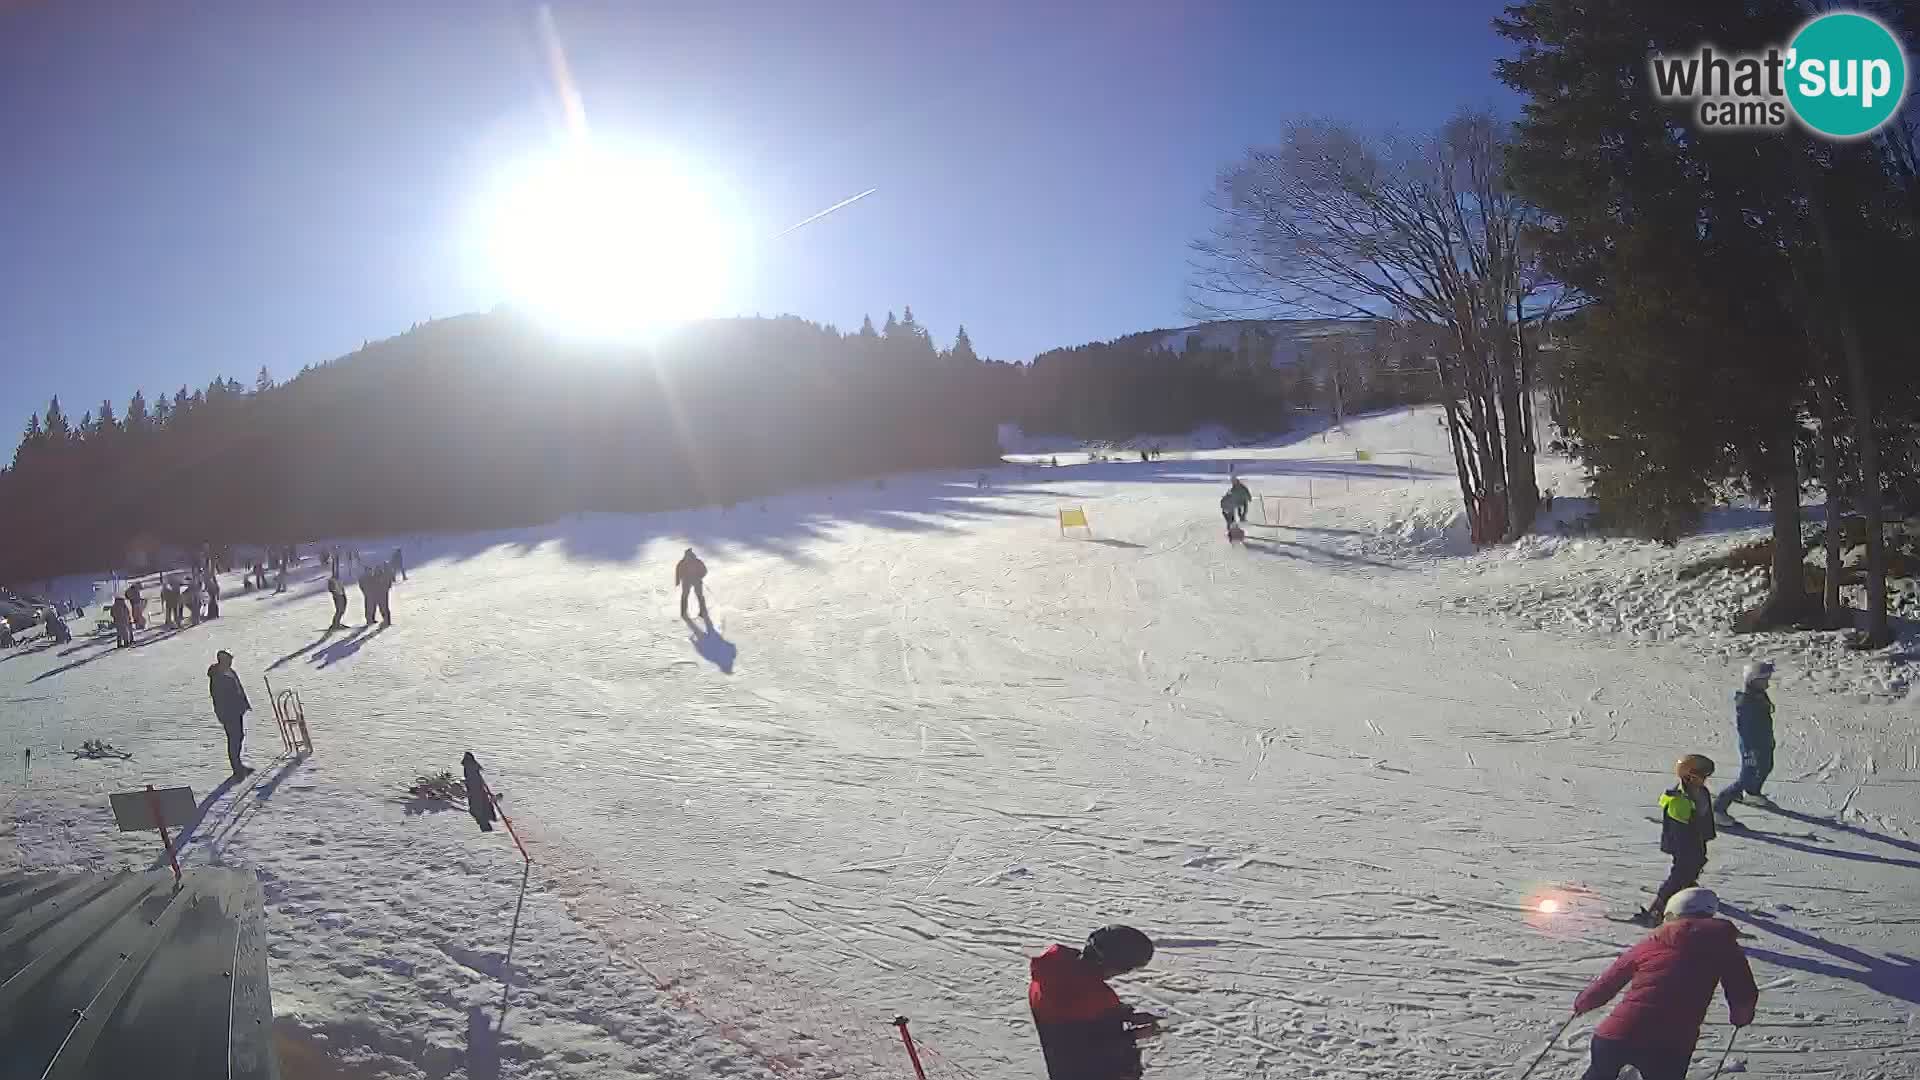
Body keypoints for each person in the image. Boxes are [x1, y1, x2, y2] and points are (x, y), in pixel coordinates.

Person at [1572, 888, 1757, 1080]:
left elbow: (1609, 981)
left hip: (1616, 1035)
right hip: (1670, 1045)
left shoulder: (1650, 943)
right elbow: (1742, 991)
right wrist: (1740, 1017)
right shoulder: (1724, 945)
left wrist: (1583, 1004)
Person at [1030, 925, 1160, 1080]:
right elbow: (1096, 1048)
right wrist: (1136, 1034)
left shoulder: (1049, 974)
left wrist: (1122, 1015)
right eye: (1126, 969)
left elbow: (1074, 1029)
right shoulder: (1095, 995)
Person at [1633, 753, 1718, 927]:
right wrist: (1688, 851)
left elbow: (1706, 816)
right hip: (1685, 845)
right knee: (1680, 873)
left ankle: (1688, 884)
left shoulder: (1701, 792)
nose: (1706, 780)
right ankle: (1657, 908)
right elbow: (1679, 832)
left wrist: (1707, 836)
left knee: (1698, 862)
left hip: (1697, 841)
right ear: (1690, 777)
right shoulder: (1679, 802)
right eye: (1703, 777)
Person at [1714, 660, 1777, 826]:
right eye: (1764, 680)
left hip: (1764, 741)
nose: (1768, 684)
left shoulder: (1759, 695)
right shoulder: (1746, 702)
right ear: (1752, 681)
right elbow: (1745, 729)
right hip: (1752, 746)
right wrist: (1751, 749)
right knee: (1746, 777)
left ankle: (1753, 793)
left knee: (1766, 766)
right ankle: (1718, 808)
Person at [207, 649, 253, 777]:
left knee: (239, 736)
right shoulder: (218, 677)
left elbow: (239, 689)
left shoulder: (230, 672)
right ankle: (237, 769)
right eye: (229, 660)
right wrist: (224, 713)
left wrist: (244, 704)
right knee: (234, 739)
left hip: (236, 710)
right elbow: (220, 697)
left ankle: (239, 765)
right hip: (228, 713)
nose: (231, 662)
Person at [463, 752, 497, 833]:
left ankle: (488, 820)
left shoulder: (468, 766)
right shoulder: (470, 766)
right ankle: (488, 822)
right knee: (482, 805)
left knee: (481, 806)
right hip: (476, 790)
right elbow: (473, 778)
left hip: (475, 790)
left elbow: (473, 778)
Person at [675, 548, 709, 622]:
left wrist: (678, 581)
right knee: (700, 596)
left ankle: (683, 613)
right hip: (696, 580)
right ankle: (702, 612)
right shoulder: (698, 561)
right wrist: (700, 577)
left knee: (684, 596)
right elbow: (705, 570)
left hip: (686, 581)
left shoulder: (682, 562)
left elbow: (678, 571)